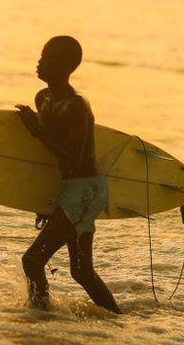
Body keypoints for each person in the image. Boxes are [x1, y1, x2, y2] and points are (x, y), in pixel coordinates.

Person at [15, 36, 122, 313]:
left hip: (86, 190)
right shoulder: (43, 99)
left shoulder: (76, 106)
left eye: (46, 58)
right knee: (82, 272)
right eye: (40, 55)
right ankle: (117, 320)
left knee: (33, 260)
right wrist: (49, 204)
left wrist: (36, 130)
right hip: (71, 190)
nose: (39, 62)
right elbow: (51, 158)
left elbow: (71, 158)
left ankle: (41, 317)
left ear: (63, 67)